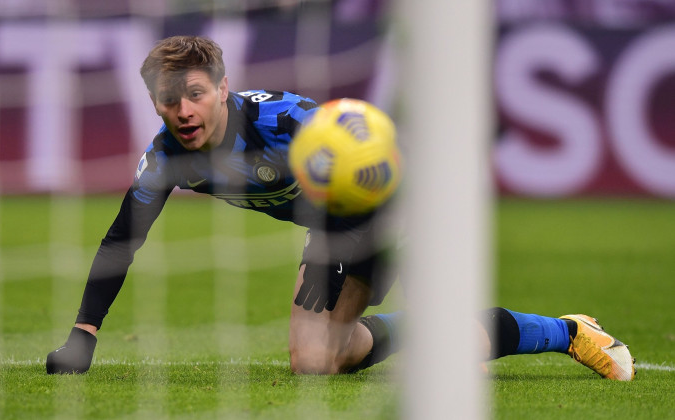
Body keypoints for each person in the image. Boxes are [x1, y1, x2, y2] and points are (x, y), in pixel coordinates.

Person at [46, 35, 635, 381]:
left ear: (222, 88)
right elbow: (122, 239)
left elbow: (379, 153)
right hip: (332, 229)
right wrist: (83, 334)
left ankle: (560, 334)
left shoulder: (291, 122)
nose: (183, 110)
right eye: (169, 101)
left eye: (195, 94)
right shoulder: (167, 158)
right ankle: (565, 326)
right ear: (153, 102)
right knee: (319, 360)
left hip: (391, 213)